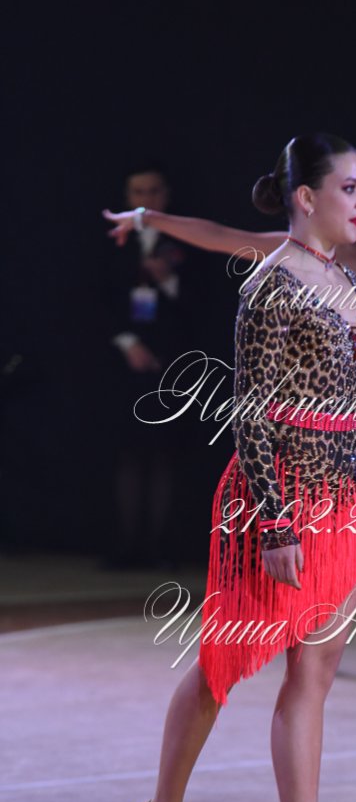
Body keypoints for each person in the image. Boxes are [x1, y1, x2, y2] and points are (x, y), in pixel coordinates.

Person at [108, 133, 356, 802]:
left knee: (314, 676)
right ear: (306, 197)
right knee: (219, 670)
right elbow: (251, 412)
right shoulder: (272, 284)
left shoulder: (346, 283)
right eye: (350, 187)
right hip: (274, 500)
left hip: (339, 505)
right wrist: (276, 522)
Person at [103, 200, 356, 672]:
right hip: (299, 406)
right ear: (313, 197)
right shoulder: (285, 253)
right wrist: (149, 217)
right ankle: (303, 628)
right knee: (313, 514)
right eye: (348, 188)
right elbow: (217, 233)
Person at [100, 162, 206, 568]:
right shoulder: (112, 240)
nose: (146, 201)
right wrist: (128, 342)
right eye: (138, 193)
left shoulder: (187, 240)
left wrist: (167, 281)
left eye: (154, 192)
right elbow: (94, 297)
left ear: (167, 195)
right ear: (127, 197)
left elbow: (205, 304)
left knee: (166, 454)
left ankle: (162, 547)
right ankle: (127, 546)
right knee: (127, 453)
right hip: (123, 361)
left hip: (172, 364)